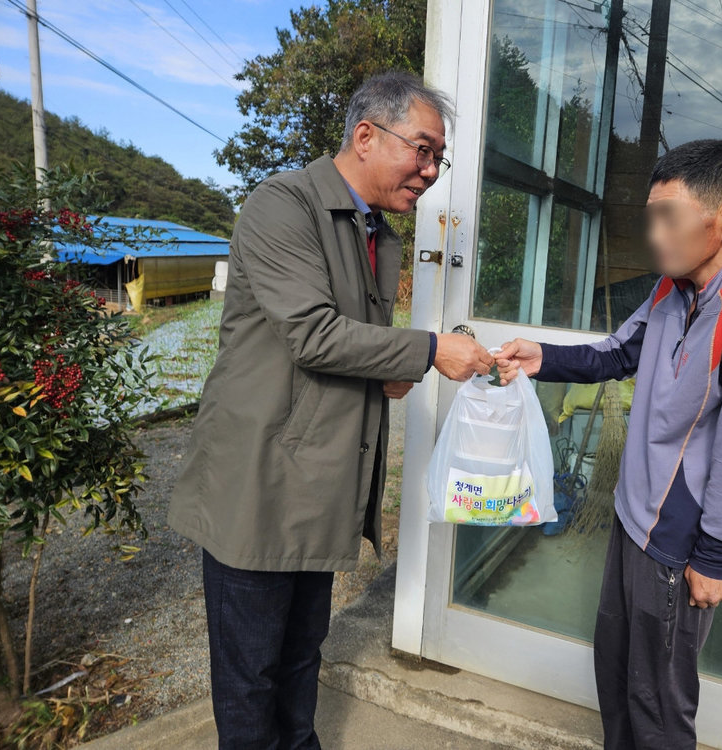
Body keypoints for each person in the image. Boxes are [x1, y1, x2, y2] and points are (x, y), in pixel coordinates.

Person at [167, 71, 494, 750]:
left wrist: (390, 374)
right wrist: (428, 351)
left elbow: (341, 349)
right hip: (258, 486)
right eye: (423, 151)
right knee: (251, 677)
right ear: (367, 136)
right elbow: (313, 334)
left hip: (315, 486)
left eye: (439, 158)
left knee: (298, 658)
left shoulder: (371, 228)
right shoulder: (282, 205)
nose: (431, 172)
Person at [496, 139, 722, 750]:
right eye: (650, 216)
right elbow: (616, 353)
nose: (654, 234)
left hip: (677, 542)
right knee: (618, 676)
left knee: (658, 706)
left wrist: (716, 556)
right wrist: (541, 357)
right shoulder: (672, 288)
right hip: (634, 521)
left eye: (669, 216)